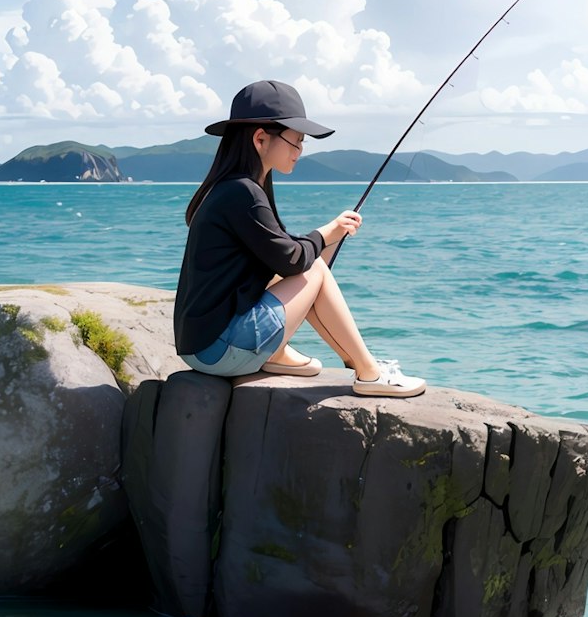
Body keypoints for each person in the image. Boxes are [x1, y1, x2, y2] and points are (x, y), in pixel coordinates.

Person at [173, 80, 425, 398]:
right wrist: (324, 235)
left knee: (311, 265)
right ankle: (369, 372)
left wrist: (324, 238)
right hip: (219, 350)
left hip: (199, 345)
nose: (300, 151)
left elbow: (279, 255)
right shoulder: (243, 192)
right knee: (315, 269)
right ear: (261, 139)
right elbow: (292, 259)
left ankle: (284, 354)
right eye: (296, 141)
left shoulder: (231, 188)